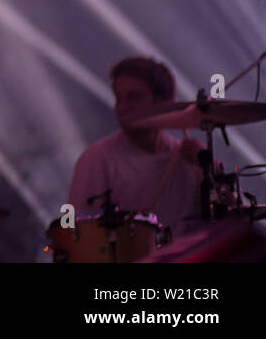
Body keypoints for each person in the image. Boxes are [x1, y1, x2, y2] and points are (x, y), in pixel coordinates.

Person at [66, 56, 206, 237]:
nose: (122, 108)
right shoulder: (97, 159)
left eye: (133, 97)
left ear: (164, 102)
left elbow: (232, 217)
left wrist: (208, 166)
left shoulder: (190, 159)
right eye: (118, 99)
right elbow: (77, 238)